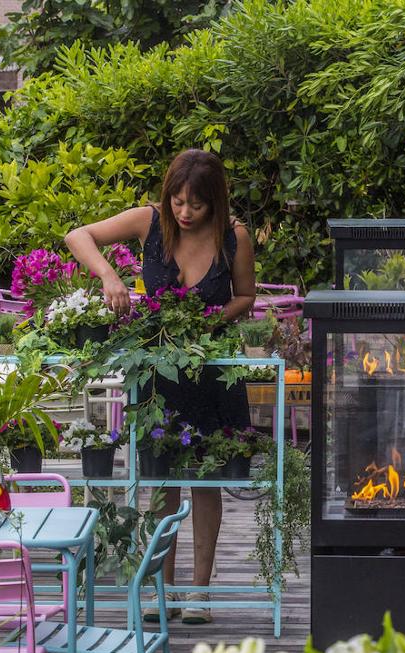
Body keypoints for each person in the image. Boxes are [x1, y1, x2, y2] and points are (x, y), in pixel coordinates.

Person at [65, 148, 255, 624]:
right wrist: (109, 276)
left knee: (206, 480)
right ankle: (161, 591)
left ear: (216, 202)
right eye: (178, 202)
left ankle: (199, 594)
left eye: (196, 205)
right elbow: (77, 235)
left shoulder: (234, 238)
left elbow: (247, 296)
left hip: (212, 372)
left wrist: (210, 319)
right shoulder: (148, 222)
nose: (185, 213)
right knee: (160, 479)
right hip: (158, 376)